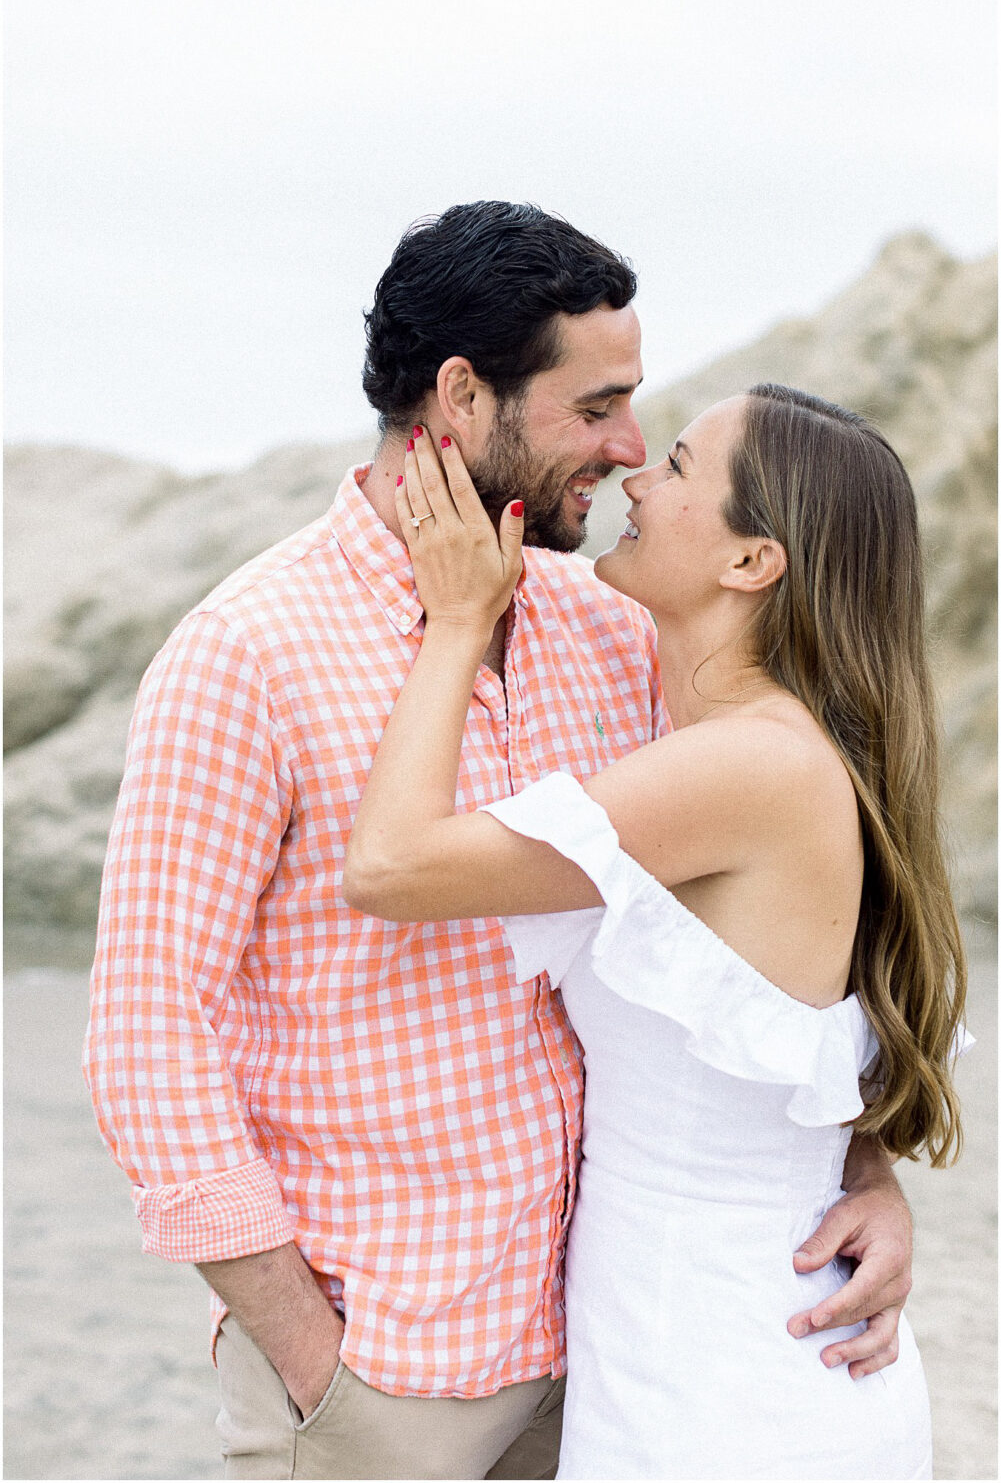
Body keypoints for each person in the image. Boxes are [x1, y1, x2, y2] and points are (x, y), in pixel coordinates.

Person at [85, 203, 916, 1482]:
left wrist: (857, 1168)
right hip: (385, 1368)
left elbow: (789, 945)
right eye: (596, 408)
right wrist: (313, 1359)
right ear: (465, 397)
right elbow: (149, 1036)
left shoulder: (615, 631)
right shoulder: (243, 655)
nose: (627, 449)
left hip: (605, 1361)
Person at [344, 396, 968, 1479]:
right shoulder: (765, 749)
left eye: (675, 466)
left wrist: (453, 624)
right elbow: (803, 1048)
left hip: (724, 1384)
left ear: (751, 561)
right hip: (704, 1350)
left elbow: (390, 867)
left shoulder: (747, 766)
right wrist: (864, 1172)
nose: (636, 480)